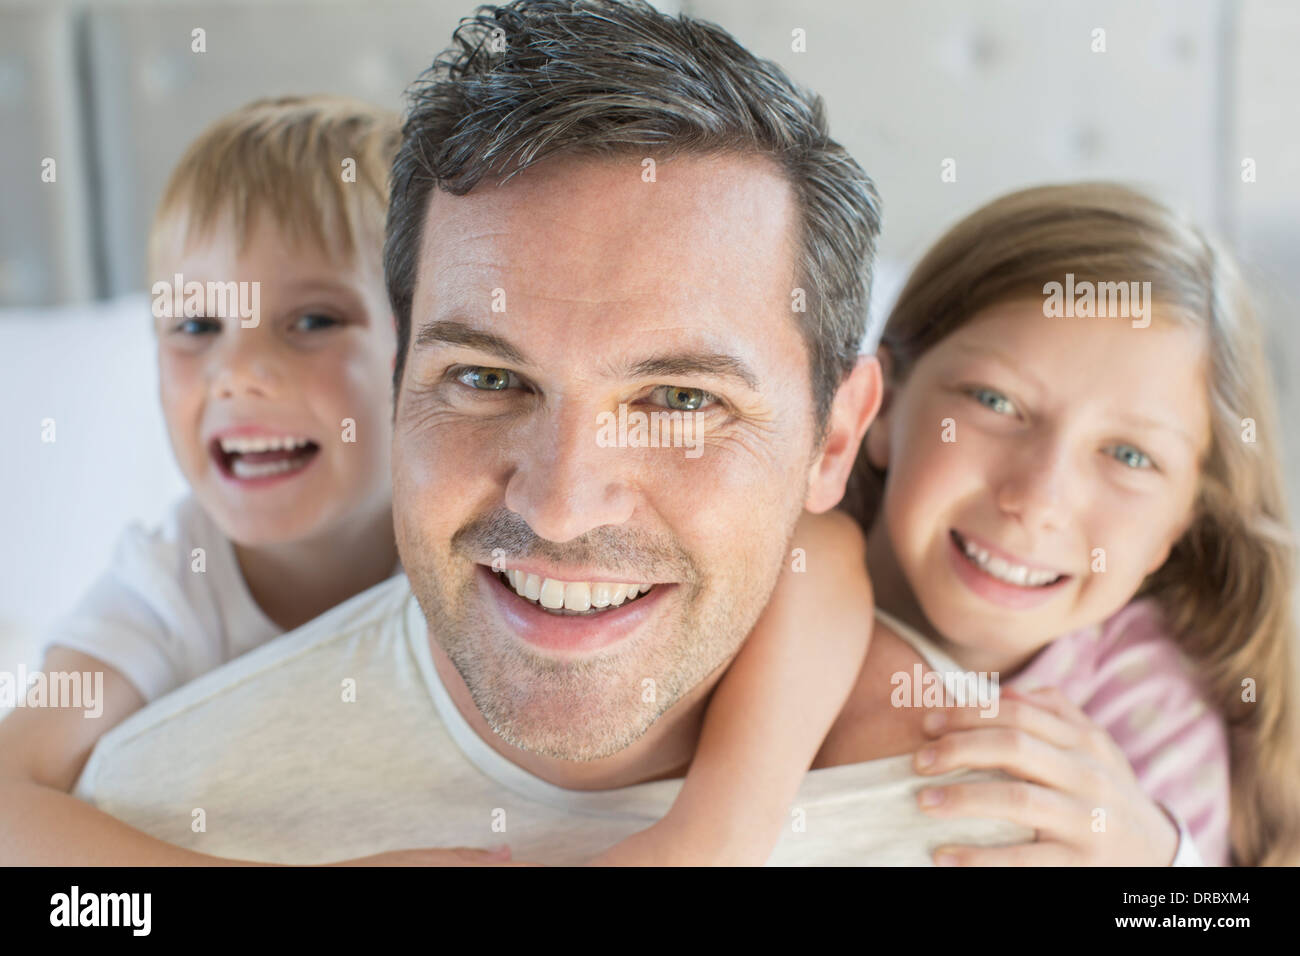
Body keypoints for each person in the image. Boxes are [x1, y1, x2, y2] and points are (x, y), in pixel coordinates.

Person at [66, 0, 1037, 866]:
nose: (562, 506)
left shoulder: (1015, 814)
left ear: (834, 440)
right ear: (399, 386)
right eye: (487, 377)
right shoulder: (151, 812)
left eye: (681, 398)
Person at [837, 183, 1300, 866]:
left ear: (1178, 525)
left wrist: (1159, 866)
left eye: (1129, 455)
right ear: (881, 403)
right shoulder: (785, 559)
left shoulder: (1150, 707)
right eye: (996, 401)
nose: (1039, 498)